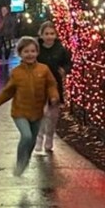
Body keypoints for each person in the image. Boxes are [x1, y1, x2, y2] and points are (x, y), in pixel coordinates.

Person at [0, 37, 59, 176]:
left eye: (33, 51)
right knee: (26, 136)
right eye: (26, 51)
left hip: (37, 112)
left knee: (32, 140)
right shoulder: (16, 72)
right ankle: (20, 162)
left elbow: (51, 84)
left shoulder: (44, 69)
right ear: (20, 53)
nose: (30, 54)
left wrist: (53, 96)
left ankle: (26, 160)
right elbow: (8, 91)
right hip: (20, 111)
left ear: (37, 52)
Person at [33, 21, 72, 155]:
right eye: (46, 34)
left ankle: (49, 137)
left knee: (53, 114)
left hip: (55, 85)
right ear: (41, 35)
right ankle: (39, 138)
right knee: (41, 113)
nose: (49, 36)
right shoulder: (37, 49)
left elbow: (68, 63)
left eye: (52, 34)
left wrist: (64, 70)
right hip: (39, 85)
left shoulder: (60, 49)